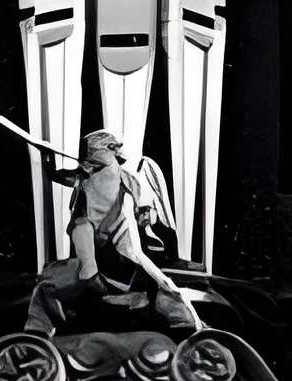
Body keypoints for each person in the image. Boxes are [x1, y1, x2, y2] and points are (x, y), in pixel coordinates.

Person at [24, 129, 202, 337]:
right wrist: (47, 157)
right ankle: (41, 332)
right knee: (68, 273)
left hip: (114, 254)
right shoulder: (87, 174)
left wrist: (164, 281)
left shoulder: (124, 184)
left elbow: (134, 242)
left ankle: (189, 324)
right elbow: (58, 175)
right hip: (92, 245)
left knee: (145, 274)